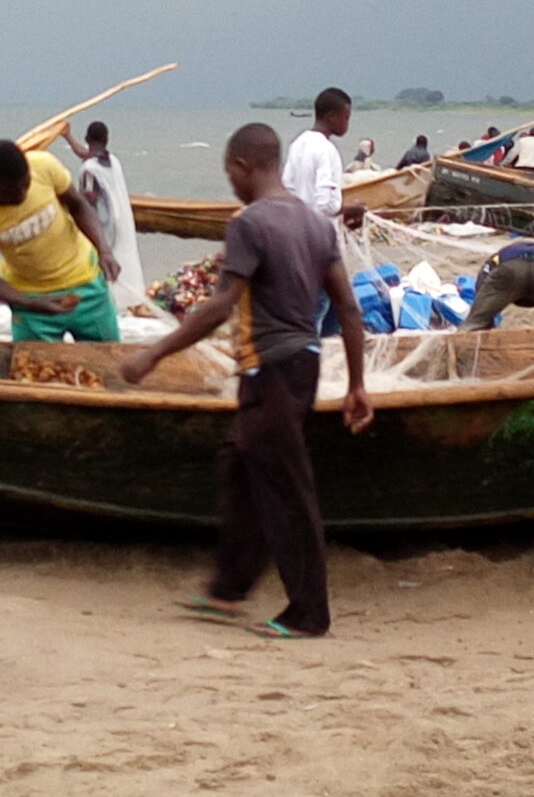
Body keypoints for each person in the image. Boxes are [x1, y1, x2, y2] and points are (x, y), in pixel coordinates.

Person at [121, 123, 372, 638]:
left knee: (287, 489)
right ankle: (229, 589)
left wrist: (152, 355)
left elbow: (218, 306)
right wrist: (356, 385)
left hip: (271, 371)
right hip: (301, 364)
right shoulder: (315, 224)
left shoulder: (249, 224)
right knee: (238, 468)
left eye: (228, 173)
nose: (230, 183)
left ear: (240, 166)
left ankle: (308, 614)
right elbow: (347, 308)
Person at [0, 140, 123, 343]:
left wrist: (104, 250)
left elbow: (78, 205)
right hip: (30, 300)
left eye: (24, 185)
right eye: (9, 192)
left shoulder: (43, 166)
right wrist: (28, 303)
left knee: (108, 363)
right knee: (34, 369)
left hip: (86, 283)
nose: (21, 195)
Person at [66, 121, 146, 308]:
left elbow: (89, 200)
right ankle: (126, 302)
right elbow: (86, 155)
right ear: (106, 139)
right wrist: (67, 136)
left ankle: (106, 304)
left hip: (103, 226)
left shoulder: (89, 170)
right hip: (120, 221)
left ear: (87, 139)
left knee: (101, 263)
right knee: (120, 260)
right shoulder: (112, 161)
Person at [284, 88, 365, 228]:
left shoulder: (297, 143)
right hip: (321, 235)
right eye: (346, 118)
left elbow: (287, 186)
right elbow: (326, 205)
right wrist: (353, 210)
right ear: (332, 116)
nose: (347, 124)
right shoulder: (327, 149)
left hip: (298, 229)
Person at [459, 240, 534, 330]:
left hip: (511, 266)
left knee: (475, 323)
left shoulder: (500, 254)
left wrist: (483, 315)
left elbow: (483, 279)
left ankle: (460, 353)